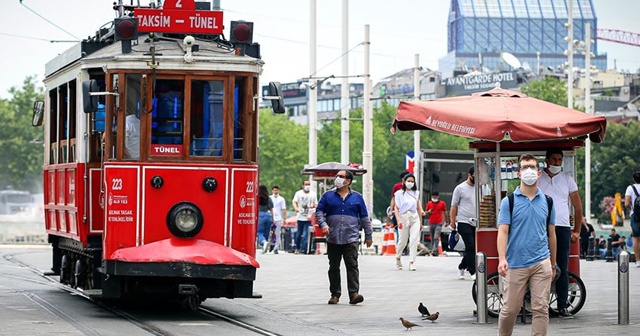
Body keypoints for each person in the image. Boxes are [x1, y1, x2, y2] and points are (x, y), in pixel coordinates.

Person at [497, 153, 557, 336]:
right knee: (509, 310)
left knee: (541, 309)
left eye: (532, 167)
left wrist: (552, 263)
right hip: (516, 264)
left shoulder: (548, 201)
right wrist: (502, 259)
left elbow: (552, 235)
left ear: (539, 173)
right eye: (525, 167)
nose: (529, 170)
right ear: (518, 173)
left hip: (541, 262)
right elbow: (503, 231)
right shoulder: (509, 201)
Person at [537, 149, 583, 318]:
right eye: (554, 159)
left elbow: (578, 207)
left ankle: (562, 305)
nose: (557, 163)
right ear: (547, 160)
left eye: (559, 160)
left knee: (562, 267)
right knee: (539, 265)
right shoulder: (538, 178)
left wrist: (577, 230)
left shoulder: (567, 179)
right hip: (541, 226)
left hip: (562, 227)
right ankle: (537, 303)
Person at [316, 170, 372, 305]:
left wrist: (368, 234)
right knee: (333, 266)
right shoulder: (327, 196)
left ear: (348, 181)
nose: (337, 179)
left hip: (351, 238)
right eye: (337, 176)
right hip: (333, 237)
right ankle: (335, 294)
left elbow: (364, 217)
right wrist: (323, 224)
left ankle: (354, 294)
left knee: (352, 266)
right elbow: (319, 211)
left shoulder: (357, 198)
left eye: (340, 177)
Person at [450, 165, 477, 280]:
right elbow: (453, 206)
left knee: (474, 247)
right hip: (463, 221)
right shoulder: (460, 188)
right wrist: (452, 221)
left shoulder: (481, 187)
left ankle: (462, 266)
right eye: (474, 176)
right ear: (469, 175)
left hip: (477, 221)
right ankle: (472, 271)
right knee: (470, 246)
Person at [393, 173, 424, 271]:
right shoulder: (399, 193)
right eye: (408, 181)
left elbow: (419, 208)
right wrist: (398, 220)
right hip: (403, 217)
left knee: (414, 239)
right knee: (403, 241)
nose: (410, 183)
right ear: (404, 182)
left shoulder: (416, 193)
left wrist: (421, 222)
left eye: (412, 181)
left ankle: (411, 262)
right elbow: (396, 208)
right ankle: (398, 257)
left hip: (414, 217)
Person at [292, 179, 318, 254]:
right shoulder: (298, 193)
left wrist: (313, 207)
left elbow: (316, 203)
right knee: (299, 234)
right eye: (306, 184)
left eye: (308, 184)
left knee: (307, 233)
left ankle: (304, 249)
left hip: (309, 217)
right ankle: (297, 248)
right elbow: (294, 201)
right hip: (300, 216)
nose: (307, 186)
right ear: (303, 185)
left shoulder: (313, 194)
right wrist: (296, 208)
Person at [624, 171, 640, 267]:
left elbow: (626, 204)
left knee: (636, 238)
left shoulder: (630, 188)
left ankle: (638, 260)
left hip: (635, 216)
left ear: (633, 179)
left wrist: (632, 209)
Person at [425, 190, 448, 256]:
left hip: (439, 222)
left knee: (436, 236)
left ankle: (434, 250)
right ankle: (434, 249)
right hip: (431, 222)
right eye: (433, 197)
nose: (434, 198)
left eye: (435, 197)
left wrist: (447, 221)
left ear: (438, 197)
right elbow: (425, 212)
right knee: (432, 237)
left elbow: (445, 212)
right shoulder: (429, 203)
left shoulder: (442, 203)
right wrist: (428, 212)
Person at [389, 171, 409, 240]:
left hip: (408, 212)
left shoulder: (411, 187)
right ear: (402, 179)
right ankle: (401, 247)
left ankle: (406, 246)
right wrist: (391, 211)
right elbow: (393, 199)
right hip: (399, 212)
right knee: (399, 231)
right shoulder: (397, 187)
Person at [257, 185, 274, 254]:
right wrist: (273, 218)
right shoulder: (268, 198)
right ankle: (264, 247)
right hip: (268, 215)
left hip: (260, 215)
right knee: (266, 233)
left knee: (259, 232)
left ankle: (263, 242)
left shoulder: (257, 197)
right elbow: (271, 209)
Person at [270, 185, 287, 254]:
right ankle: (270, 245)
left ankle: (276, 248)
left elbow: (283, 209)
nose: (275, 191)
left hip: (278, 218)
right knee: (270, 233)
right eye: (274, 190)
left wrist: (284, 218)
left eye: (276, 190)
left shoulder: (281, 199)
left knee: (277, 233)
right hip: (270, 217)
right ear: (272, 191)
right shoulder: (269, 198)